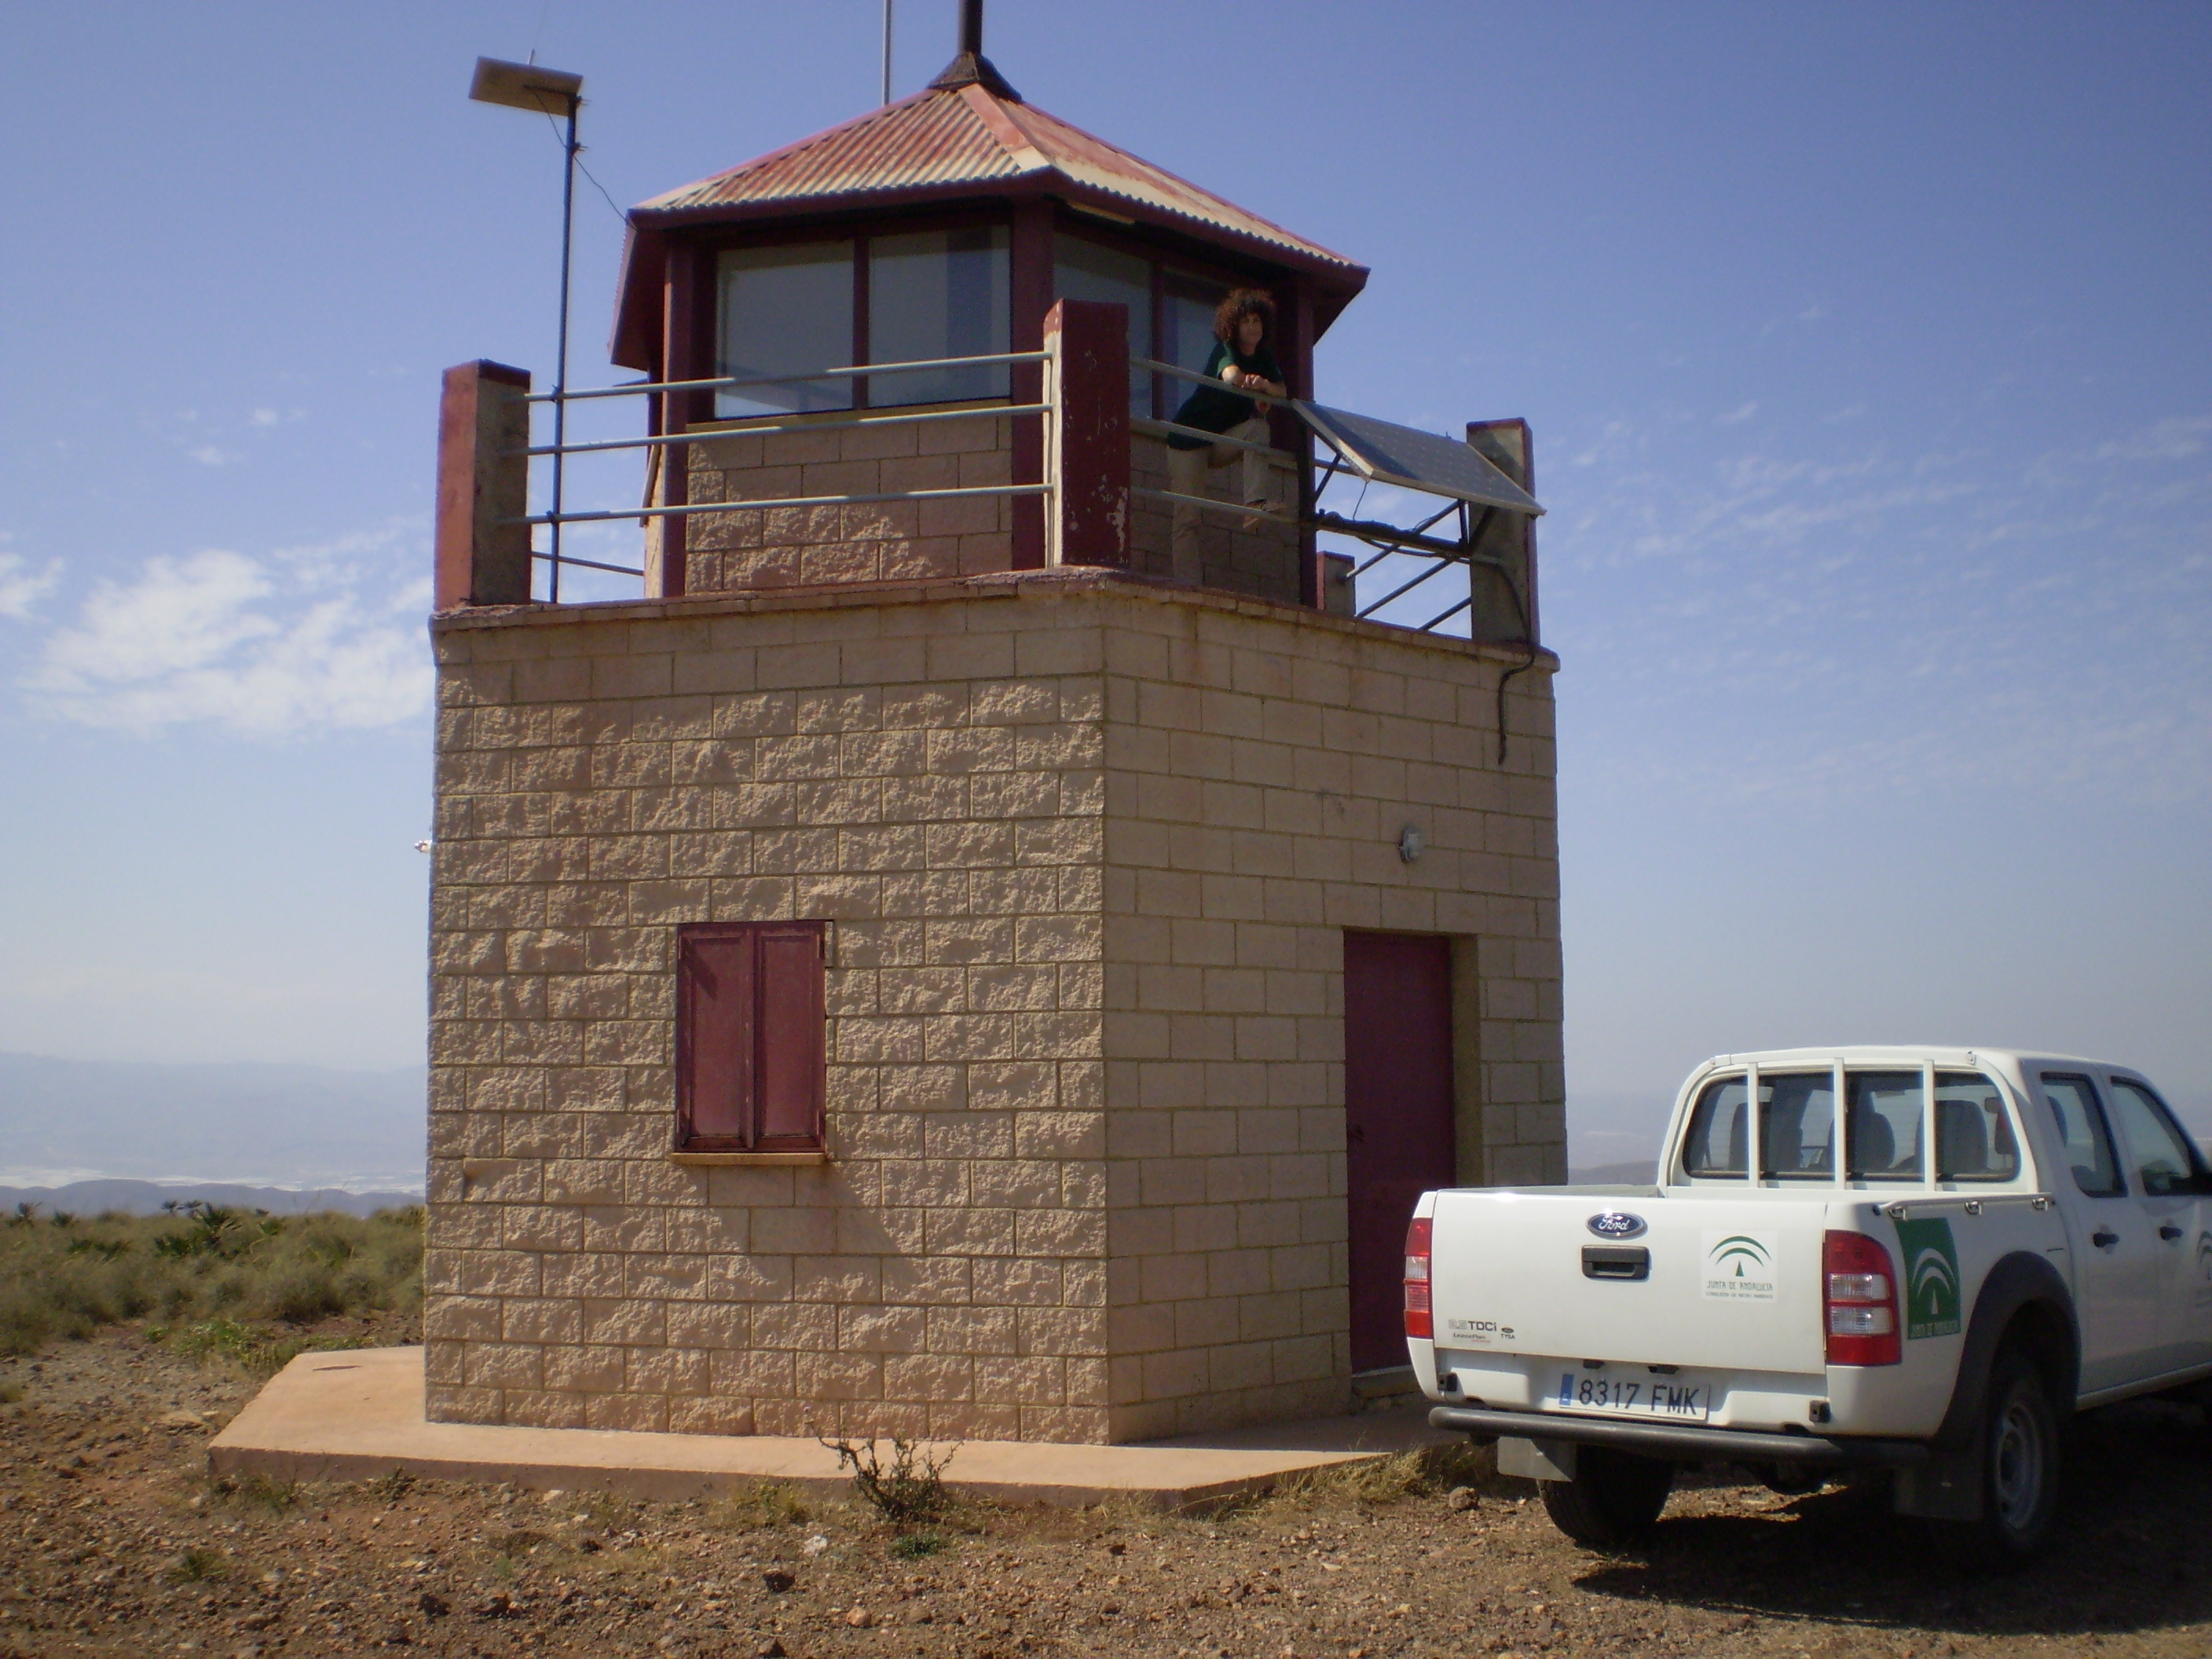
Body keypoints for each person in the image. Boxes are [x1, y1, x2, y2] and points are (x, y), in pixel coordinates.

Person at [1166, 288, 1287, 584]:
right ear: (1234, 325)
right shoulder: (1225, 349)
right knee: (1188, 517)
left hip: (1219, 441)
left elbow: (1282, 391)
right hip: (1188, 441)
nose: (1253, 327)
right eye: (1246, 321)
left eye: (1257, 321)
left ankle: (1254, 504)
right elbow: (1231, 375)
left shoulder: (1264, 358)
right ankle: (1187, 584)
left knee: (1258, 429)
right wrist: (1251, 383)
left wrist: (1265, 387)